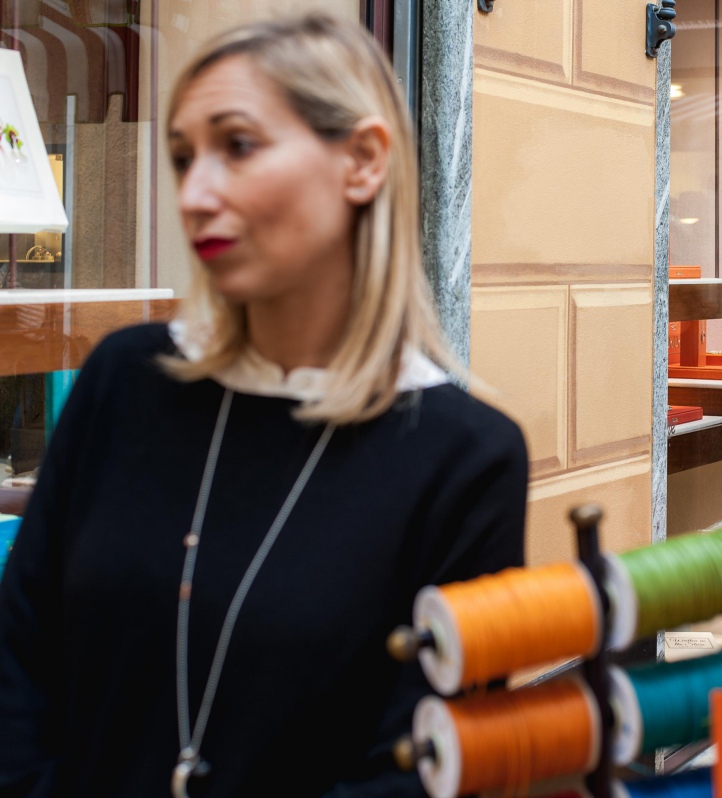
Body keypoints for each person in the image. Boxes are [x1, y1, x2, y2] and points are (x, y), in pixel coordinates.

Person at [0, 14, 528, 797]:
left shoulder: (465, 458)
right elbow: (18, 660)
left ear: (362, 160)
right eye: (183, 157)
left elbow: (429, 764)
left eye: (238, 146)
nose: (194, 193)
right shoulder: (124, 379)